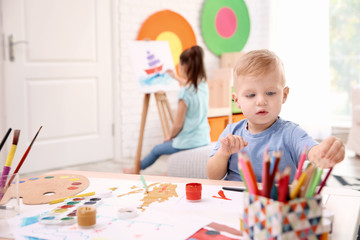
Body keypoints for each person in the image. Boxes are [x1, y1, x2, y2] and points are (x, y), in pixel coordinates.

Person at [207, 49, 345, 182]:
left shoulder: (291, 133)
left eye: (271, 93)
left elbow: (314, 152)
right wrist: (223, 153)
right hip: (235, 201)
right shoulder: (231, 133)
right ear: (237, 100)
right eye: (251, 95)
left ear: (284, 95)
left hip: (277, 203)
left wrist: (325, 152)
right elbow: (213, 176)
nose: (261, 101)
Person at [124, 45, 210, 173]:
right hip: (203, 138)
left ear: (184, 66)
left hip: (188, 142)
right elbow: (190, 85)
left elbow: (178, 125)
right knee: (163, 149)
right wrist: (175, 77)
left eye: (180, 65)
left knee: (156, 150)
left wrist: (170, 136)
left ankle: (136, 169)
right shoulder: (203, 86)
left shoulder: (185, 93)